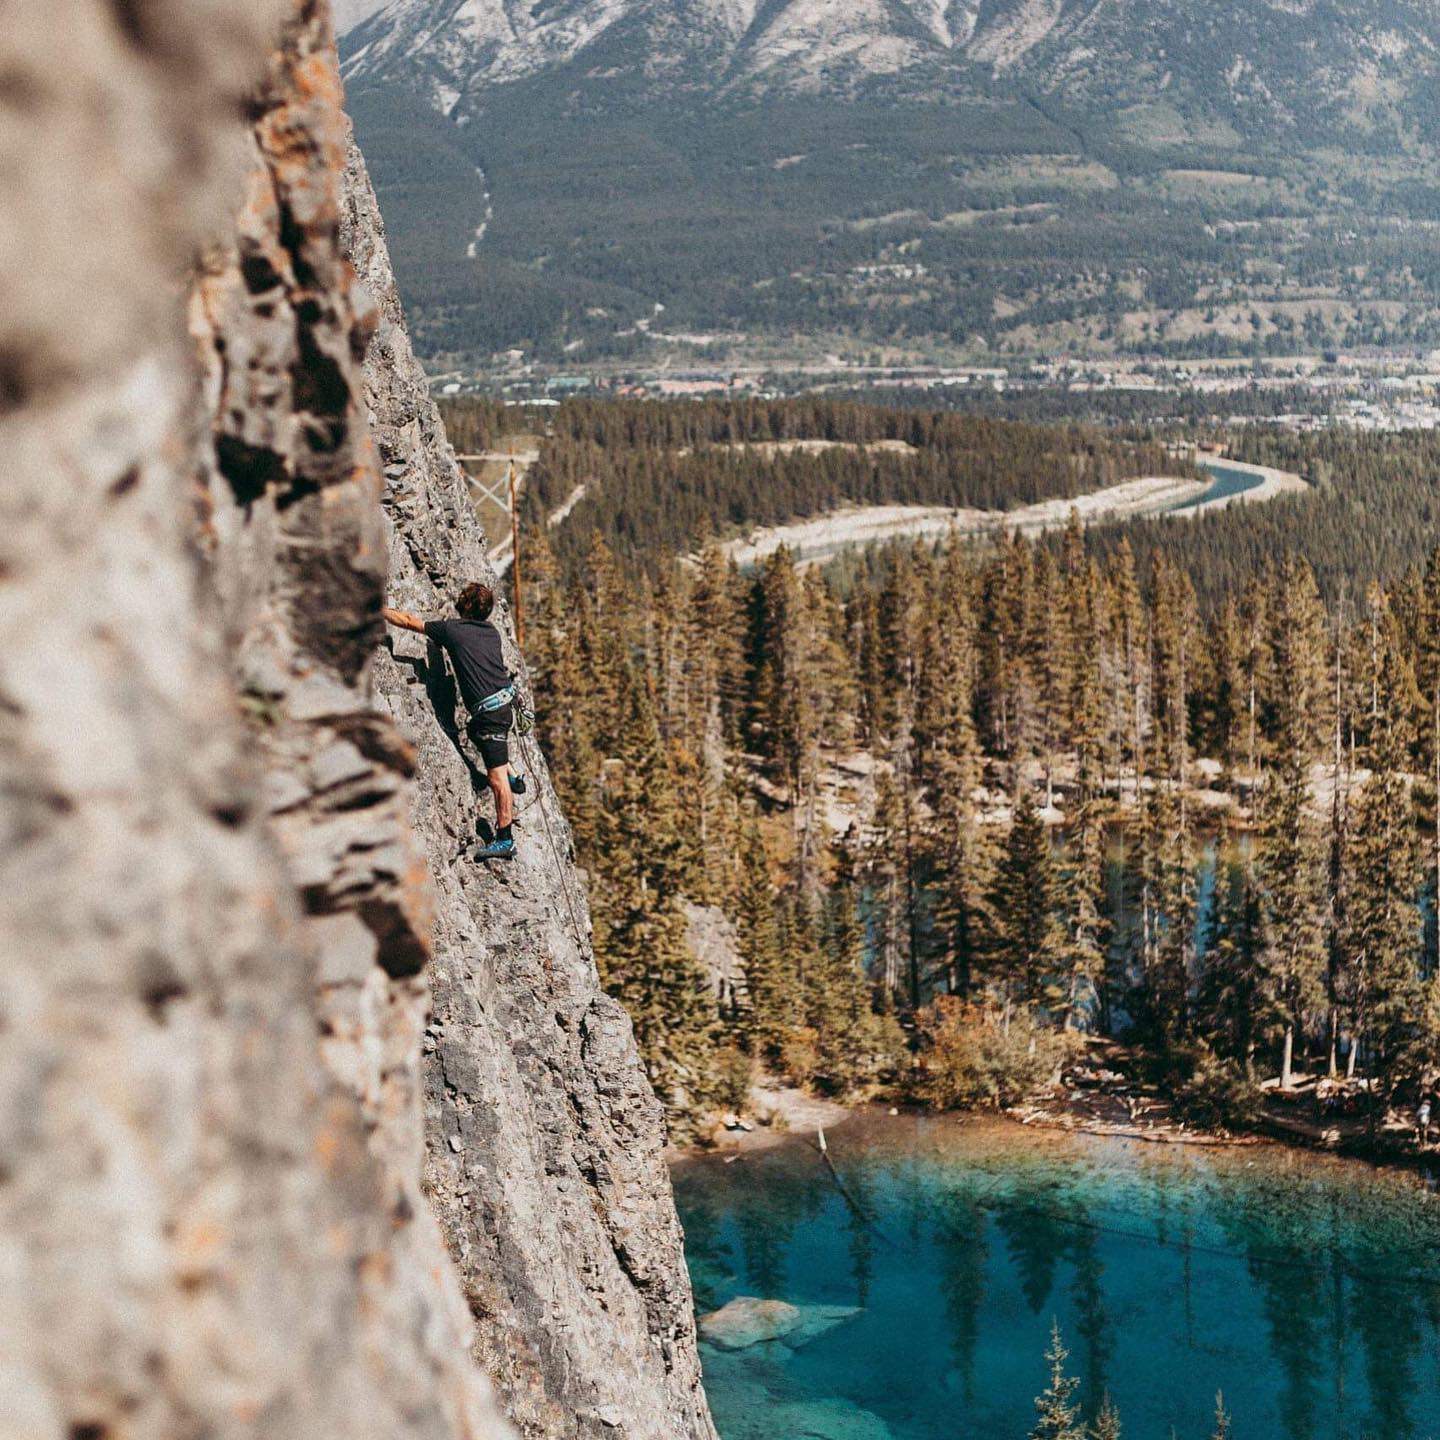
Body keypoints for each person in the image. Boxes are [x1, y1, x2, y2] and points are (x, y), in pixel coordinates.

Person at [383, 582, 522, 860]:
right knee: (474, 732)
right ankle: (514, 774)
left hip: (490, 715)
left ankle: (505, 838)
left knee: (495, 779)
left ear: (465, 605)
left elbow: (409, 621)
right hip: (503, 706)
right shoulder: (491, 632)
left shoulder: (452, 631)